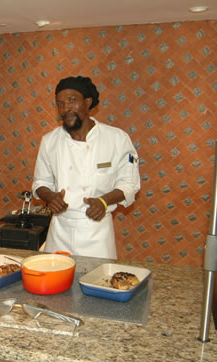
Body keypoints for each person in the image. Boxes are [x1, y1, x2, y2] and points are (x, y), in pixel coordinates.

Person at [32, 75, 140, 259]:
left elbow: (130, 185)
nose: (66, 108)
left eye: (72, 101)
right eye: (60, 103)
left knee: (97, 283)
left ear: (88, 102)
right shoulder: (50, 141)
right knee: (56, 283)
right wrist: (50, 196)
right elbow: (40, 182)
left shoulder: (116, 139)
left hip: (97, 233)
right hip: (60, 232)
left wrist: (104, 201)